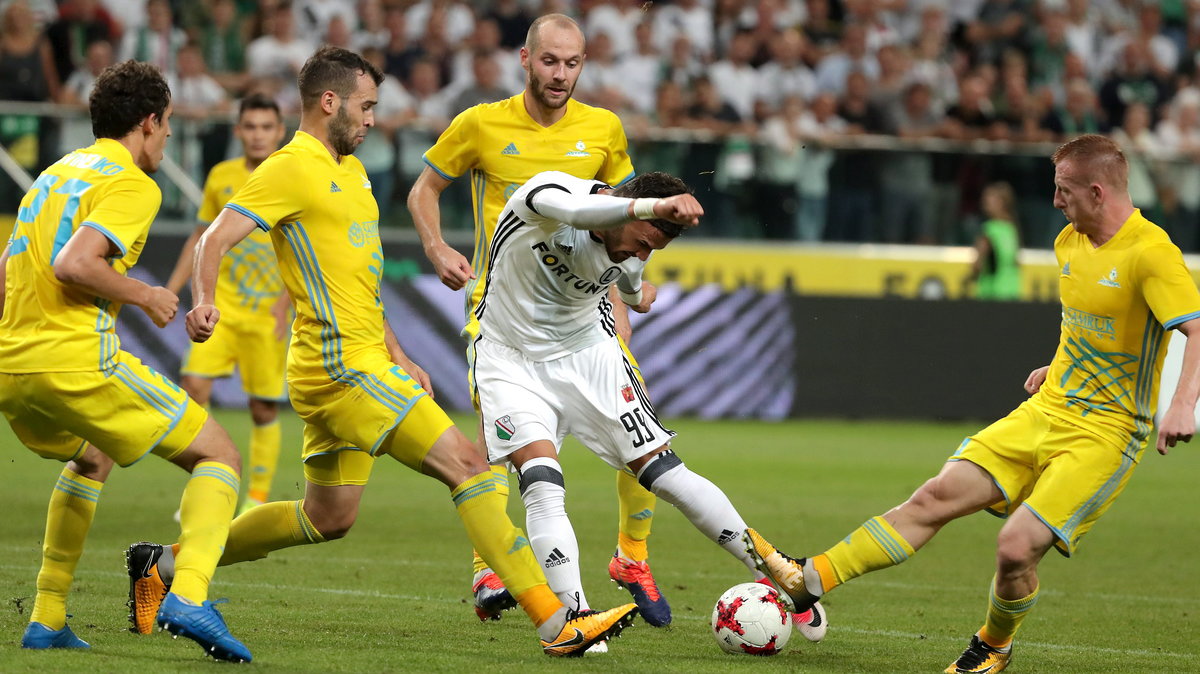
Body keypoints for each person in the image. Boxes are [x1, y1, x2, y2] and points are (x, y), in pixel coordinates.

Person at [126, 46, 637, 657]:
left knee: (327, 517)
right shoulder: (291, 167)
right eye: (366, 106)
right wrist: (203, 299)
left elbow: (357, 284)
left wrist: (397, 351)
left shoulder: (353, 173)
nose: (372, 119)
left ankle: (162, 563)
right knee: (470, 466)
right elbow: (216, 235)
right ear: (330, 102)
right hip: (340, 368)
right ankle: (558, 623)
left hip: (355, 362)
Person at [746, 134, 1200, 674]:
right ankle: (809, 580)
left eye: (1064, 191)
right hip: (1048, 410)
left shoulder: (1153, 254)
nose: (1055, 201)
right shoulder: (1069, 242)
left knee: (1015, 548)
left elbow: (1196, 331)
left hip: (1105, 433)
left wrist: (1181, 406)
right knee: (937, 494)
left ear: (1098, 192)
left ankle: (993, 644)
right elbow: (1087, 321)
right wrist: (1058, 363)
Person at [474, 169, 825, 646]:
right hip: (509, 359)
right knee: (541, 480)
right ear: (628, 207)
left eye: (653, 249)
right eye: (642, 241)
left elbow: (634, 285)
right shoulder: (548, 196)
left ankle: (774, 566)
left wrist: (641, 296)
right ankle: (573, 619)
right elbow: (581, 213)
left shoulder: (632, 249)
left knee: (663, 471)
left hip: (590, 355)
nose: (642, 253)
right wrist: (654, 209)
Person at [406, 12, 672, 630]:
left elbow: (617, 213)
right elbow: (424, 189)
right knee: (501, 441)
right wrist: (437, 246)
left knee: (645, 427)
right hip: (500, 313)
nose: (560, 74)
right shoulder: (480, 123)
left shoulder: (603, 128)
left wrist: (625, 294)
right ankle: (490, 566)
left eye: (572, 63)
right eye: (549, 61)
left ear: (584, 64)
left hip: (585, 308)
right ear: (524, 60)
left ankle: (632, 558)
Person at [1, 60, 251, 662]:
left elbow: (10, 270)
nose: (167, 137)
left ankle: (47, 616)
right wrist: (148, 295)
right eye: (165, 125)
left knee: (91, 456)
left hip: (12, 363)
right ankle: (188, 593)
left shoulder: (53, 176)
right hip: (75, 360)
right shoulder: (135, 185)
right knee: (219, 454)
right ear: (148, 121)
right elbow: (74, 264)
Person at [164, 94, 290, 517]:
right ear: (238, 131)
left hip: (268, 311)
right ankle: (203, 489)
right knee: (193, 389)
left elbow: (311, 247)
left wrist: (286, 302)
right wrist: (172, 289)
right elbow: (200, 238)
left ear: (279, 132)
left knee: (262, 407)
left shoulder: (292, 174)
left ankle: (255, 498)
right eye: (250, 127)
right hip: (221, 306)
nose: (257, 135)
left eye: (265, 127)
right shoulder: (222, 176)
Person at [970, 182, 1022, 301]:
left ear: (1001, 202)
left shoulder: (989, 230)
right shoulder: (1012, 229)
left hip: (991, 293)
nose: (984, 202)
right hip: (1012, 290)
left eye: (988, 199)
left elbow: (977, 265)